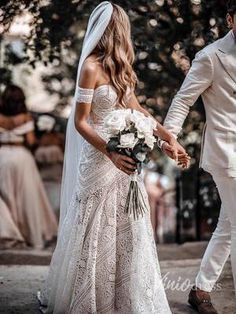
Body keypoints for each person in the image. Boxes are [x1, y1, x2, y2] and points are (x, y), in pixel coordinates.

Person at [38, 2, 190, 313]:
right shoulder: (90, 67)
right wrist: (109, 152)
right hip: (99, 160)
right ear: (115, 30)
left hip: (126, 163)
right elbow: (80, 121)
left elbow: (139, 112)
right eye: (122, 29)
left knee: (128, 226)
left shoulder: (122, 70)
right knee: (94, 228)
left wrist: (169, 140)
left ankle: (125, 297)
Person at [159, 1, 236, 313]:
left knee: (228, 224)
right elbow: (183, 99)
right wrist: (169, 135)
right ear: (231, 19)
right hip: (227, 151)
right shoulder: (210, 57)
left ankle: (200, 289)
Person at [0, 84, 58, 249]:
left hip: (2, 156)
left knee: (5, 196)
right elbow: (31, 142)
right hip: (21, 157)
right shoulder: (25, 118)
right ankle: (27, 234)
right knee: (26, 197)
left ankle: (9, 231)